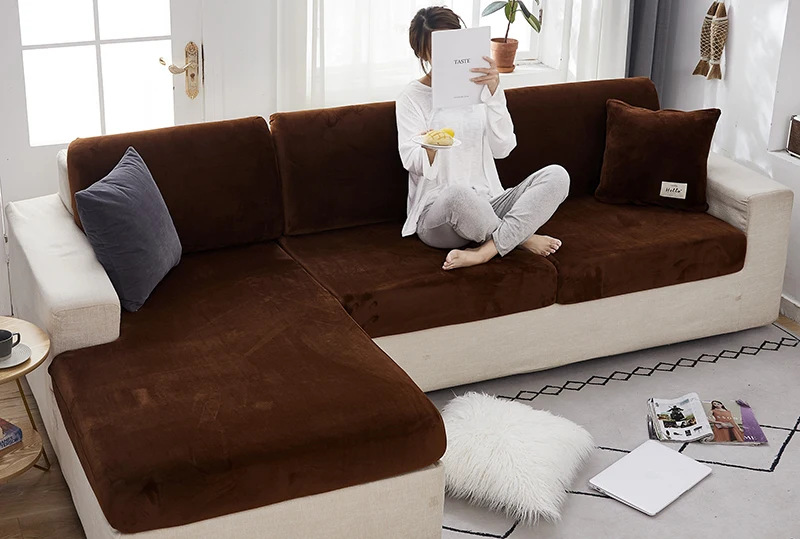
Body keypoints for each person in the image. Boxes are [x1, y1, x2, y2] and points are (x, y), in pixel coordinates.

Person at [396, 6, 570, 271]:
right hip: (439, 214)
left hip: (488, 204)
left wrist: (495, 93)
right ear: (422, 53)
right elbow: (412, 162)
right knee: (458, 194)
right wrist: (429, 146)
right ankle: (521, 238)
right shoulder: (411, 97)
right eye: (437, 49)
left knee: (557, 175)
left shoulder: (481, 88)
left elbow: (503, 148)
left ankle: (485, 251)